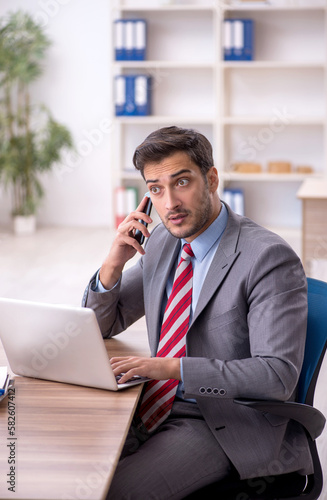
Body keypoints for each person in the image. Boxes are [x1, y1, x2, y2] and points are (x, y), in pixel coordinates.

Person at [82, 126, 312, 499]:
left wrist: (169, 367)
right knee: (68, 466)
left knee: (116, 491)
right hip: (149, 404)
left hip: (220, 421)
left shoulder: (267, 258)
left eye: (181, 182)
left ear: (212, 179)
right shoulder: (163, 243)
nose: (169, 202)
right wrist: (112, 265)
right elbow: (103, 324)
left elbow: (276, 375)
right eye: (156, 189)